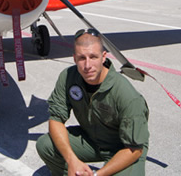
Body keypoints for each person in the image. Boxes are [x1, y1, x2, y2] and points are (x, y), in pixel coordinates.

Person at [36, 28, 149, 176]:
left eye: (93, 57)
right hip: (93, 139)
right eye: (82, 58)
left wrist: (97, 175)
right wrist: (72, 160)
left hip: (125, 147)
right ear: (74, 58)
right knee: (46, 145)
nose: (87, 65)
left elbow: (135, 149)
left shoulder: (126, 95)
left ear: (103, 57)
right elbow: (56, 119)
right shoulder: (68, 77)